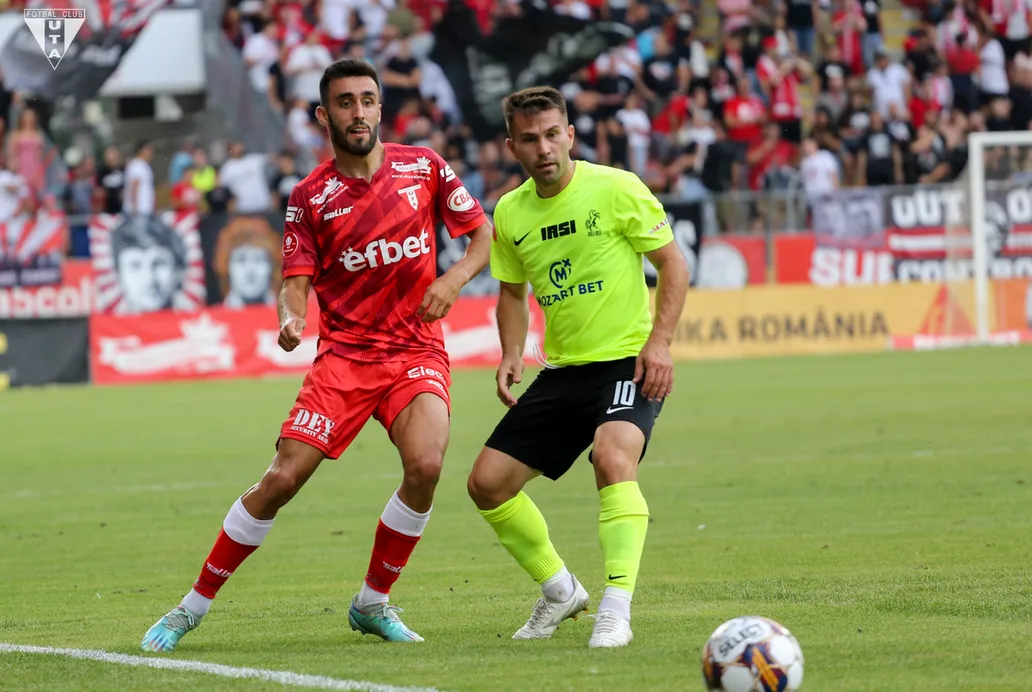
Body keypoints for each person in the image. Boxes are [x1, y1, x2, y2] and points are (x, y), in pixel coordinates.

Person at [141, 58, 492, 652]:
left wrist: (453, 279)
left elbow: (481, 234)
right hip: (346, 358)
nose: (359, 112)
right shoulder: (310, 197)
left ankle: (372, 602)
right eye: (346, 103)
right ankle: (189, 608)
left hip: (414, 349)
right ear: (324, 116)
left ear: (380, 107)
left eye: (368, 100)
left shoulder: (424, 167)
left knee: (427, 466)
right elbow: (295, 281)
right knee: (283, 478)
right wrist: (290, 316)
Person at [465, 86, 689, 649]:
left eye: (551, 135)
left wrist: (660, 344)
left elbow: (672, 265)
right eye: (529, 139)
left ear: (569, 135)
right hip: (564, 371)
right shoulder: (511, 211)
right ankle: (561, 590)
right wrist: (511, 352)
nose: (543, 149)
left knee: (612, 458)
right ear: (512, 146)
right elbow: (511, 293)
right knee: (487, 485)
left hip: (628, 362)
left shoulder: (616, 187)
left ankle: (616, 608)